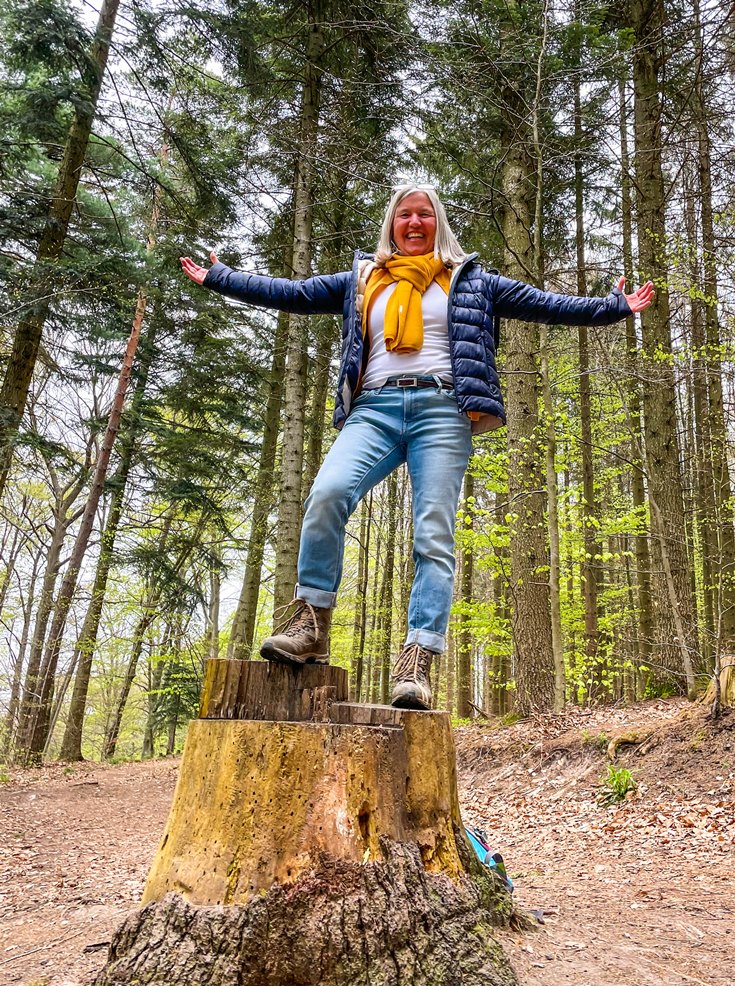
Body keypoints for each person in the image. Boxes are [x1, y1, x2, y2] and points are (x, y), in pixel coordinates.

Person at [181, 184, 653, 710]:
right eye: (403, 214)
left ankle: (416, 661)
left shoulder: (471, 282)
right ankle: (311, 622)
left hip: (444, 410)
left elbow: (547, 305)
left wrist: (614, 308)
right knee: (327, 495)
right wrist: (221, 278)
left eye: (423, 214)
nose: (413, 222)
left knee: (433, 533)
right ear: (391, 223)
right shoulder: (362, 280)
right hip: (374, 408)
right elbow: (292, 292)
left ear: (438, 223)